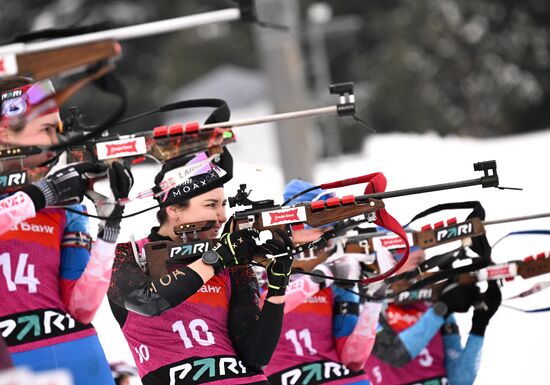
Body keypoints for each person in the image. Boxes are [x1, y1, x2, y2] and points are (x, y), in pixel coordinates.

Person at [107, 150, 294, 385]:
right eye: (211, 204)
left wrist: (278, 287)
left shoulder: (231, 261)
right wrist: (216, 259)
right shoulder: (128, 254)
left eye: (224, 204)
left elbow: (256, 356)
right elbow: (148, 300)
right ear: (173, 209)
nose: (222, 216)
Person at [0, 77, 133, 385]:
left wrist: (108, 230)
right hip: (11, 363)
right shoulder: (45, 197)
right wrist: (38, 196)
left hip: (77, 354)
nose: (57, 142)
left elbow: (81, 308)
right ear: (5, 134)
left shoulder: (60, 206)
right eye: (47, 130)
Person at [263, 180, 379, 385]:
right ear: (290, 228)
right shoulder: (260, 269)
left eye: (331, 229)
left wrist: (375, 300)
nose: (328, 237)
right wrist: (318, 277)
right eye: (320, 229)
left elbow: (353, 359)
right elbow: (263, 312)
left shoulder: (335, 278)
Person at [364, 246, 502, 385]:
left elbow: (460, 379)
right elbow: (395, 354)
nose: (424, 270)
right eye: (418, 263)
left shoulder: (432, 305)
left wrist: (479, 325)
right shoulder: (370, 306)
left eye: (427, 262)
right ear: (390, 263)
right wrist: (441, 309)